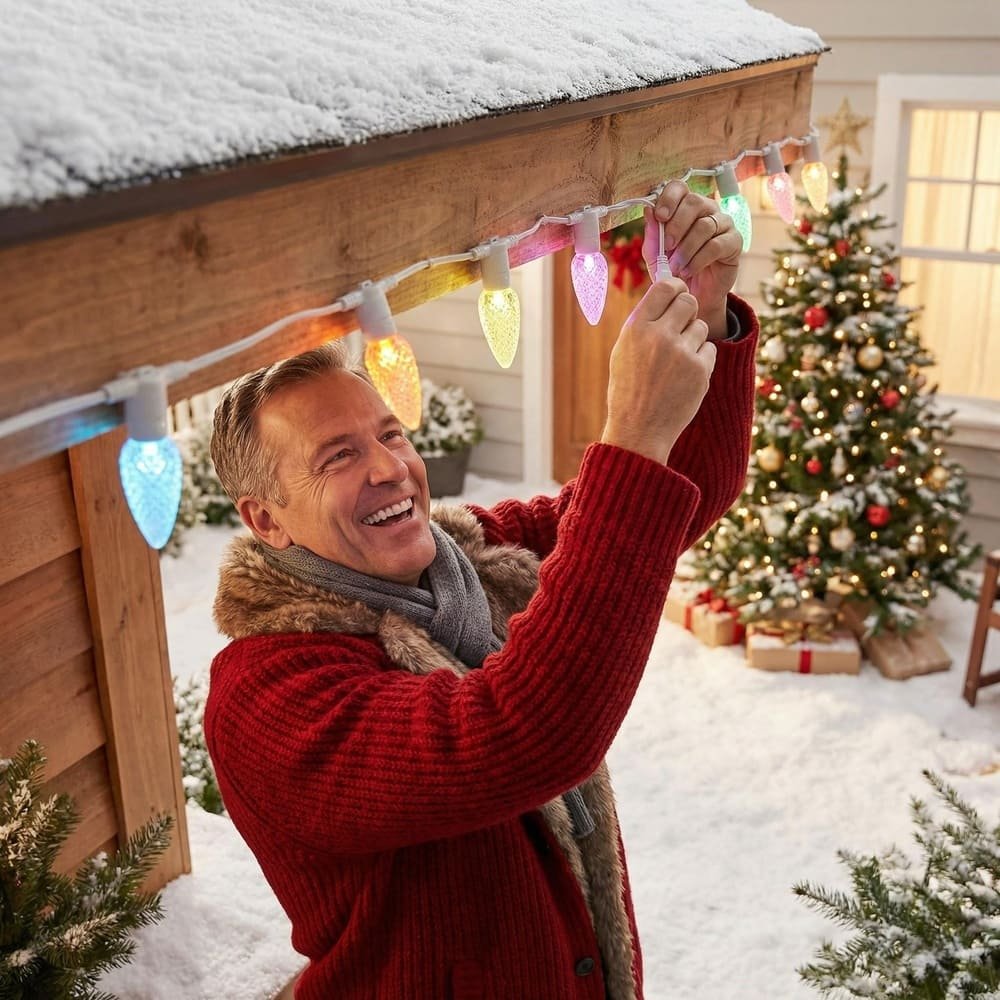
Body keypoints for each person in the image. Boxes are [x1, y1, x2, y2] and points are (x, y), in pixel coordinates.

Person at [204, 180, 757, 1000]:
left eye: (389, 433)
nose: (390, 467)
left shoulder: (471, 559)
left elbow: (667, 507)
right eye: (338, 457)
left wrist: (704, 316)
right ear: (267, 519)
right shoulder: (269, 697)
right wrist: (630, 435)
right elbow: (520, 732)